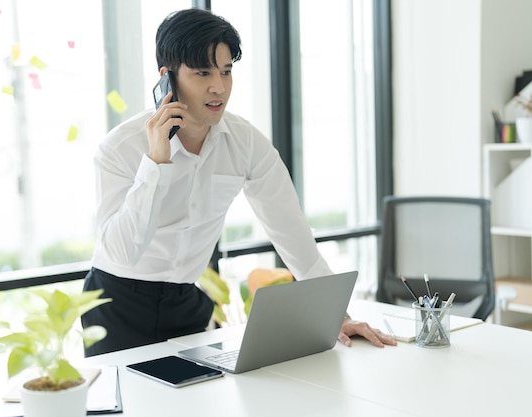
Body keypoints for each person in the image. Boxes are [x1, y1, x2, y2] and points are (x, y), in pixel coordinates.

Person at [81, 8, 396, 356]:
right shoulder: (120, 148)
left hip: (187, 302)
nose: (219, 87)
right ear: (166, 78)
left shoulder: (245, 142)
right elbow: (122, 253)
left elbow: (292, 234)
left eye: (226, 71)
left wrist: (336, 314)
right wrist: (156, 162)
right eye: (203, 72)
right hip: (115, 304)